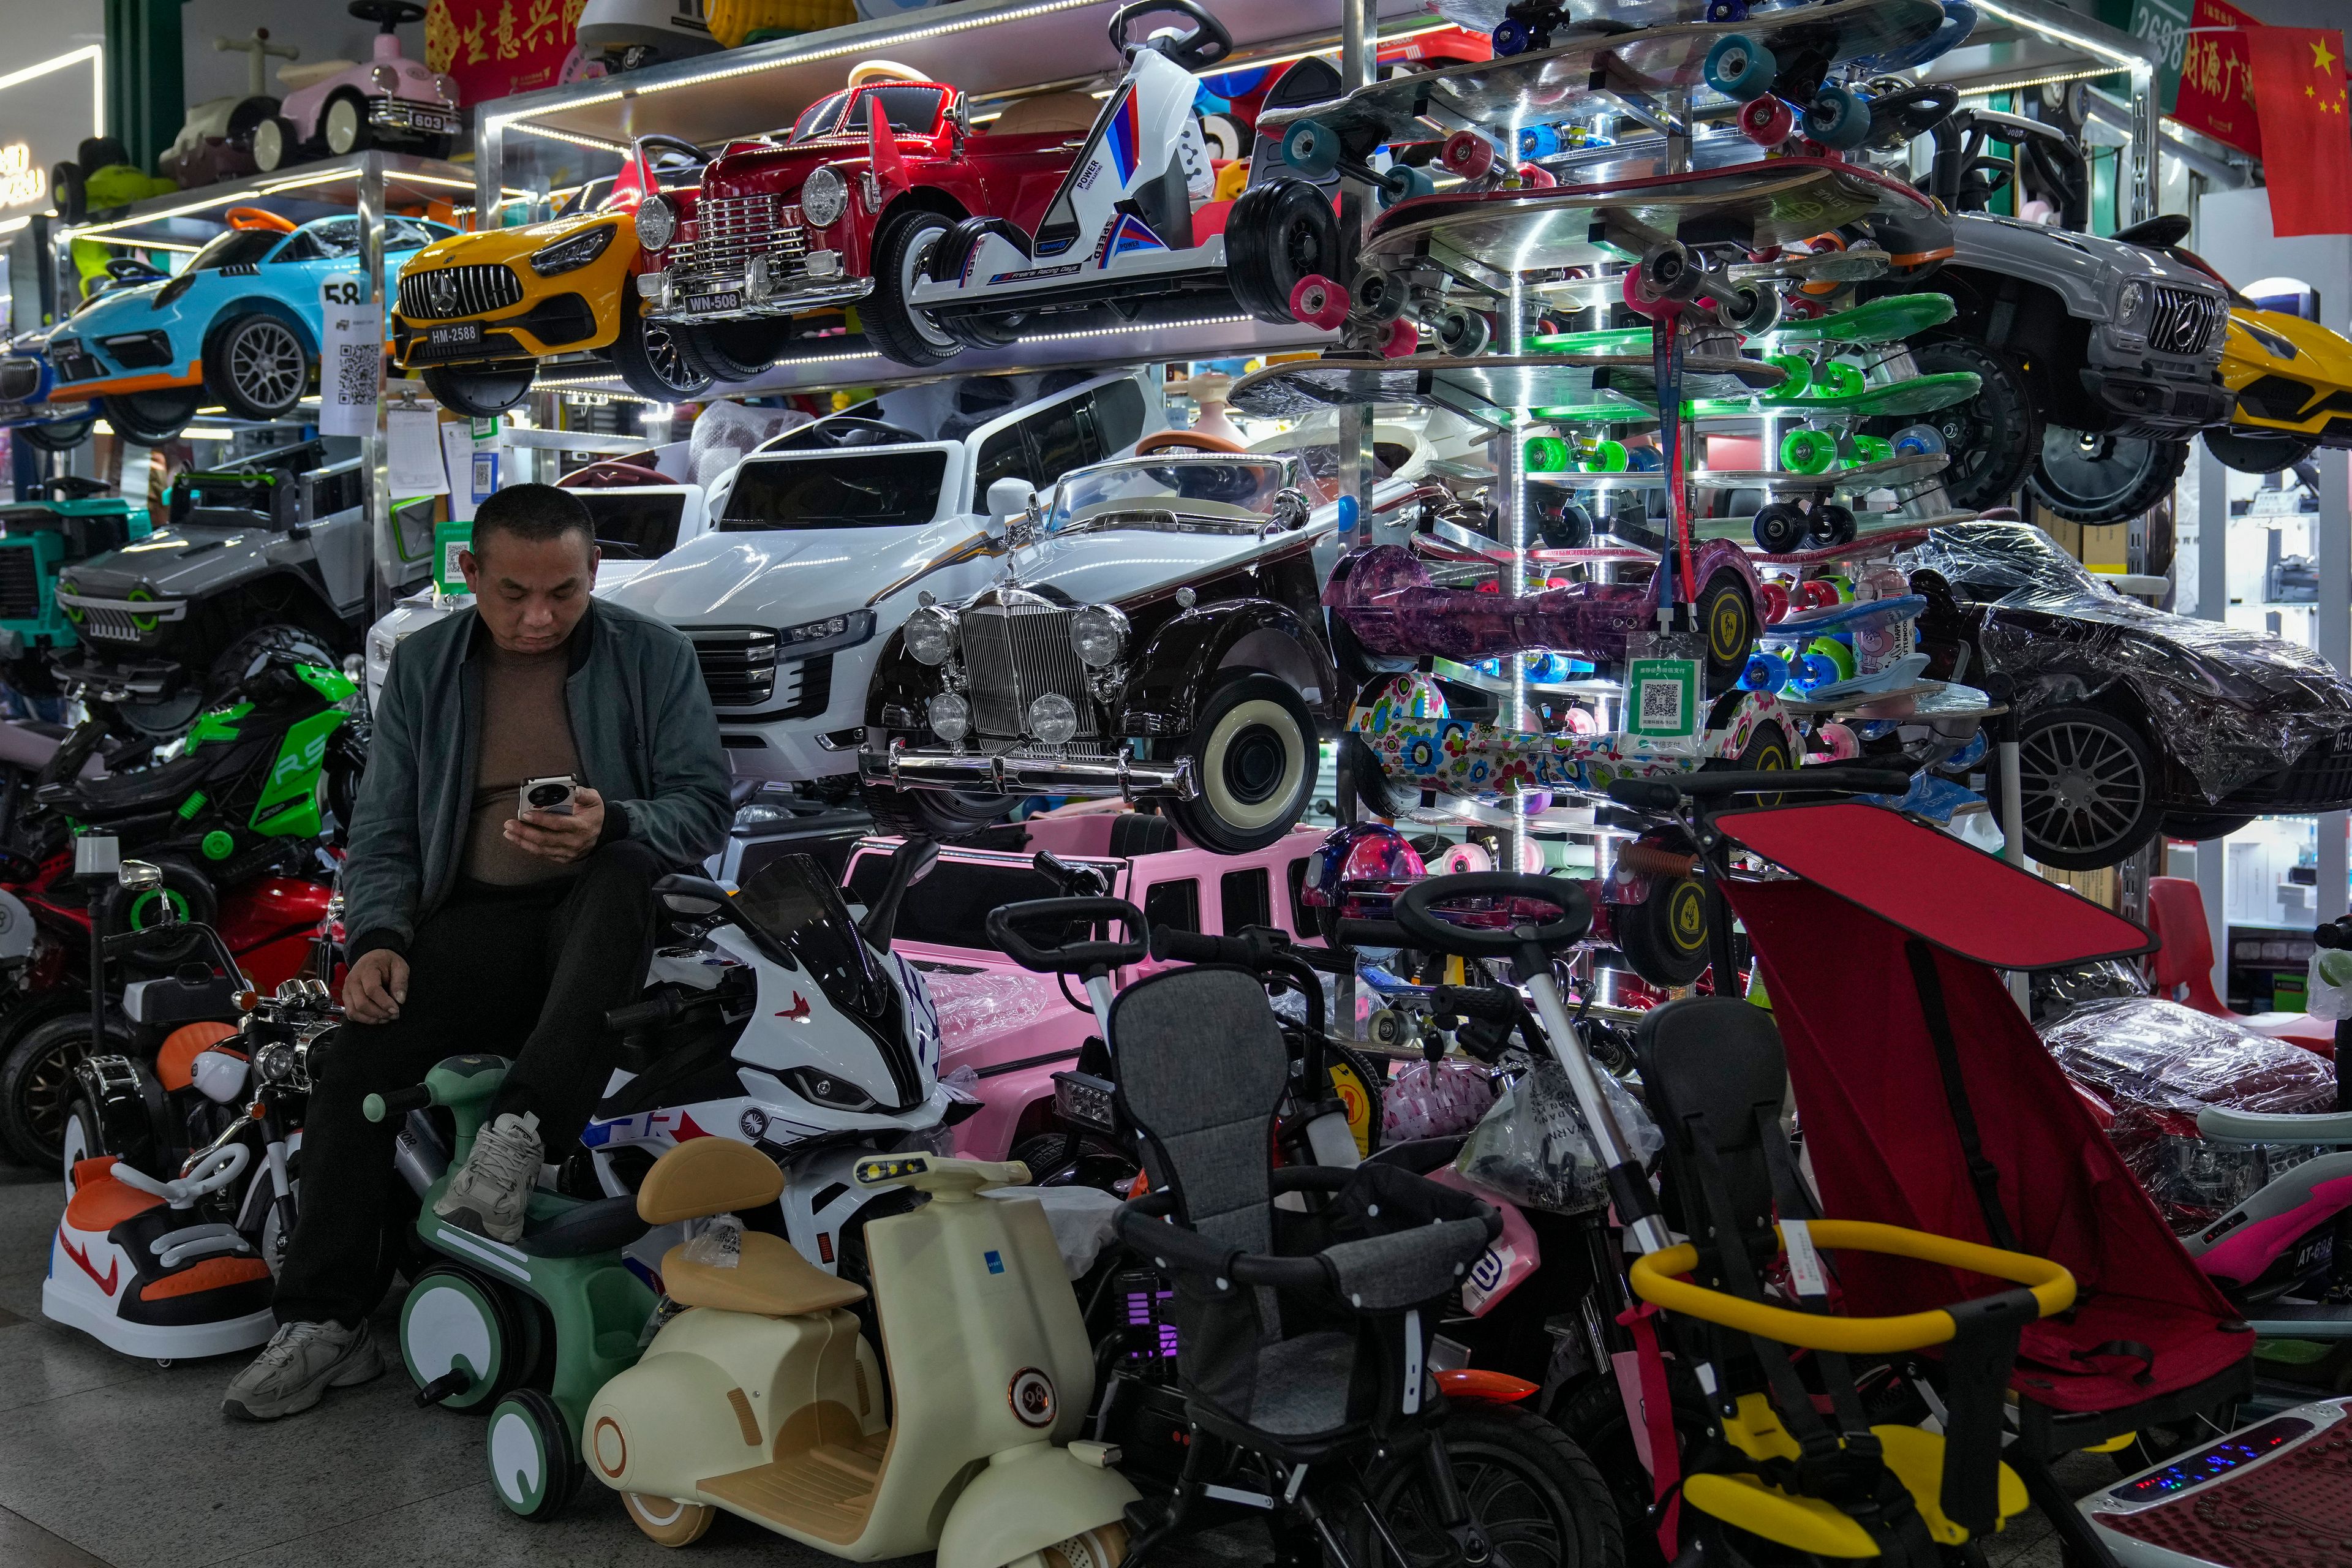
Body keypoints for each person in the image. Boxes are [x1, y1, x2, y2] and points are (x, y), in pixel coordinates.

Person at [223, 483, 731, 1420]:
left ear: (595, 575)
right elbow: (383, 832)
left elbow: (703, 807)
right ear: (470, 574)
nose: (538, 617)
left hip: (602, 928)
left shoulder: (651, 656)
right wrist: (378, 938)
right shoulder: (426, 667)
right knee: (351, 1068)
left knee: (620, 867)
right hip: (475, 922)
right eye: (513, 594)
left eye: (564, 593)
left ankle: (518, 1140)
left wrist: (610, 818)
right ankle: (327, 1325)